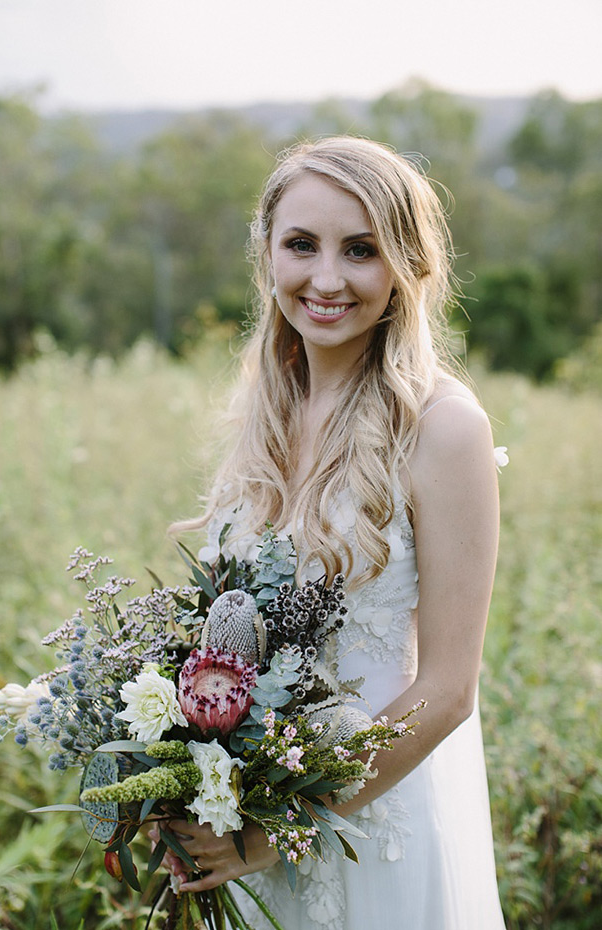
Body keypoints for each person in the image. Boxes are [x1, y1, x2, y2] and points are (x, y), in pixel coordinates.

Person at [164, 136, 506, 929]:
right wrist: (185, 775)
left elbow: (449, 691)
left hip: (363, 828)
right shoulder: (268, 411)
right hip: (247, 834)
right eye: (301, 245)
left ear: (406, 264)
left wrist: (276, 830)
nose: (326, 279)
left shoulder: (443, 427)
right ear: (267, 255)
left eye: (361, 249)